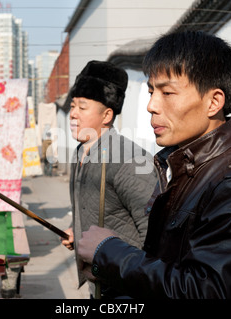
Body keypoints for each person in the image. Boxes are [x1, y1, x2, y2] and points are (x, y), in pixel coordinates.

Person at [77, 31, 231, 299]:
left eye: (167, 92)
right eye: (151, 91)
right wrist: (113, 272)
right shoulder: (184, 166)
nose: (151, 105)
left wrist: (109, 252)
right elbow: (171, 268)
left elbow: (209, 291)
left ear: (213, 102)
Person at [60, 60, 158, 299]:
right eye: (73, 106)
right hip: (99, 283)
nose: (73, 114)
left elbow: (154, 234)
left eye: (82, 108)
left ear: (106, 115)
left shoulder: (131, 160)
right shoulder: (80, 152)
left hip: (127, 287)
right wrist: (78, 229)